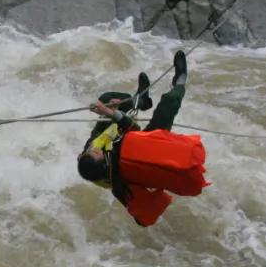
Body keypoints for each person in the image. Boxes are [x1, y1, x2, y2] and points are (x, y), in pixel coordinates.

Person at [77, 50, 208, 226]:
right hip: (141, 147)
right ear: (105, 160)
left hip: (120, 143)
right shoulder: (118, 166)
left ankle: (140, 101)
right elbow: (133, 128)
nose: (94, 150)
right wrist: (110, 113)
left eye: (89, 152)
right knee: (168, 104)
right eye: (96, 153)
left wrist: (110, 109)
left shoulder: (92, 152)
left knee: (107, 99)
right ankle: (180, 81)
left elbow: (99, 145)